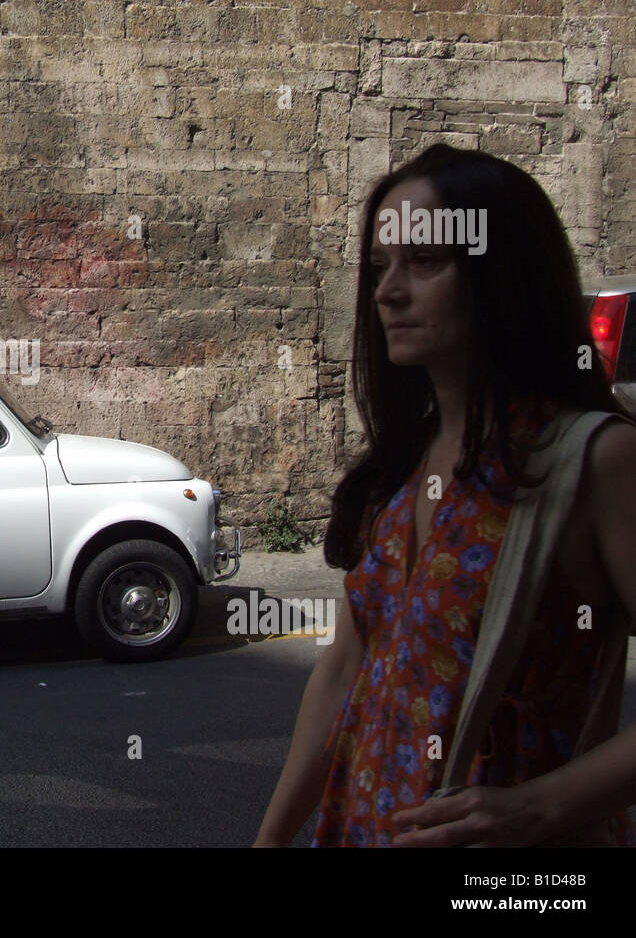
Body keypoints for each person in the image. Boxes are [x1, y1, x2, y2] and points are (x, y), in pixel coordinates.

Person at [254, 142, 636, 847]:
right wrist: (272, 838)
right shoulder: (400, 466)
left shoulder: (593, 461)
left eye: (424, 262)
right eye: (379, 267)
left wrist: (544, 806)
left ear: (500, 275)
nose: (387, 291)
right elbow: (345, 668)